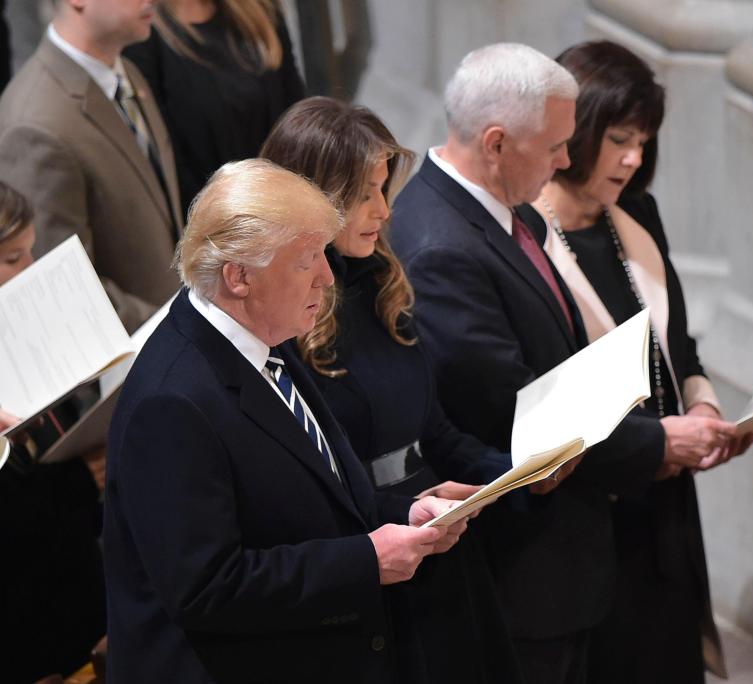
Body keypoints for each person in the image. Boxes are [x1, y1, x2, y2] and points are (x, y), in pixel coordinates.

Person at [389, 42, 738, 684]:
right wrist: (652, 437)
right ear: (496, 143)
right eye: (554, 145)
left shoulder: (497, 212)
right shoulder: (442, 244)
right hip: (526, 561)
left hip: (571, 548)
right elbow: (514, 409)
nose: (565, 160)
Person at [103, 158, 469, 683]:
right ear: (239, 277)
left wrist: (406, 515)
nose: (327, 274)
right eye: (306, 260)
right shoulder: (172, 403)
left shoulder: (263, 340)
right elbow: (206, 588)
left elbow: (313, 503)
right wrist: (366, 561)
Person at [520, 39, 753, 683]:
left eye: (645, 142)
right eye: (620, 138)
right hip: (590, 512)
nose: (633, 159)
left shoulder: (638, 214)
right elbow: (540, 403)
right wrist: (658, 438)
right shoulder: (521, 239)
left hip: (666, 509)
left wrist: (703, 404)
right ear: (577, 131)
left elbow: (677, 344)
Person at [260, 96, 522, 684]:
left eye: (384, 188)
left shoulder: (382, 283)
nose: (383, 210)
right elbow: (308, 490)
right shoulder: (283, 321)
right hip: (370, 566)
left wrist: (513, 471)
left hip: (438, 549)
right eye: (364, 194)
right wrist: (408, 511)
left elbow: (432, 430)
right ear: (312, 198)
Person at [0, 0, 182, 333]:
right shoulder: (35, 123)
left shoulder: (127, 73)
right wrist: (179, 326)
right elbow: (62, 289)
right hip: (127, 368)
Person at [0, 181, 106, 683]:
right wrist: (81, 481)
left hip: (78, 618)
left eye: (31, 253)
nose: (29, 272)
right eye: (12, 259)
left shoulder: (25, 334)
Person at [125, 0, 305, 210]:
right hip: (218, 224)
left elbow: (297, 119)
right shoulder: (142, 38)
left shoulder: (261, 9)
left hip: (290, 206)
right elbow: (171, 162)